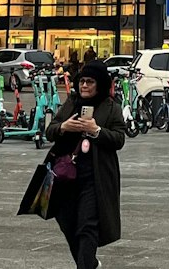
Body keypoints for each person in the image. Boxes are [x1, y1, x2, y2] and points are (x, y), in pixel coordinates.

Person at [43, 63, 128, 268]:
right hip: (65, 175)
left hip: (95, 176)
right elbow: (50, 131)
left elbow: (119, 139)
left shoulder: (111, 107)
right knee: (68, 224)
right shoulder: (72, 103)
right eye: (81, 81)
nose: (84, 86)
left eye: (90, 82)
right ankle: (89, 263)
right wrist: (64, 127)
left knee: (87, 226)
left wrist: (96, 130)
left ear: (100, 85)